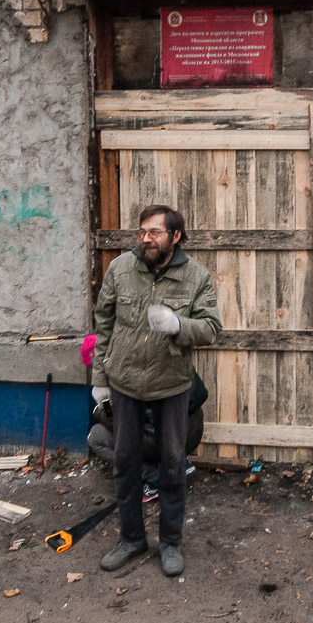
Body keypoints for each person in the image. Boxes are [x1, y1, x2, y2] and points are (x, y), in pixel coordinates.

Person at [91, 204, 221, 578]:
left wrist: (179, 323)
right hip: (125, 384)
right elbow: (104, 323)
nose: (146, 238)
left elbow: (212, 328)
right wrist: (100, 378)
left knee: (172, 464)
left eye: (155, 232)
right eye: (142, 231)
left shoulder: (196, 277)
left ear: (176, 236)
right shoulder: (120, 270)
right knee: (126, 462)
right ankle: (131, 539)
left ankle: (169, 542)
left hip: (171, 385)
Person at [84, 345, 206, 501]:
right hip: (193, 433)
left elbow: (114, 422)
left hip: (163, 440)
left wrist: (98, 410)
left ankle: (154, 479)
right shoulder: (168, 352)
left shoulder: (124, 375)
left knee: (96, 436)